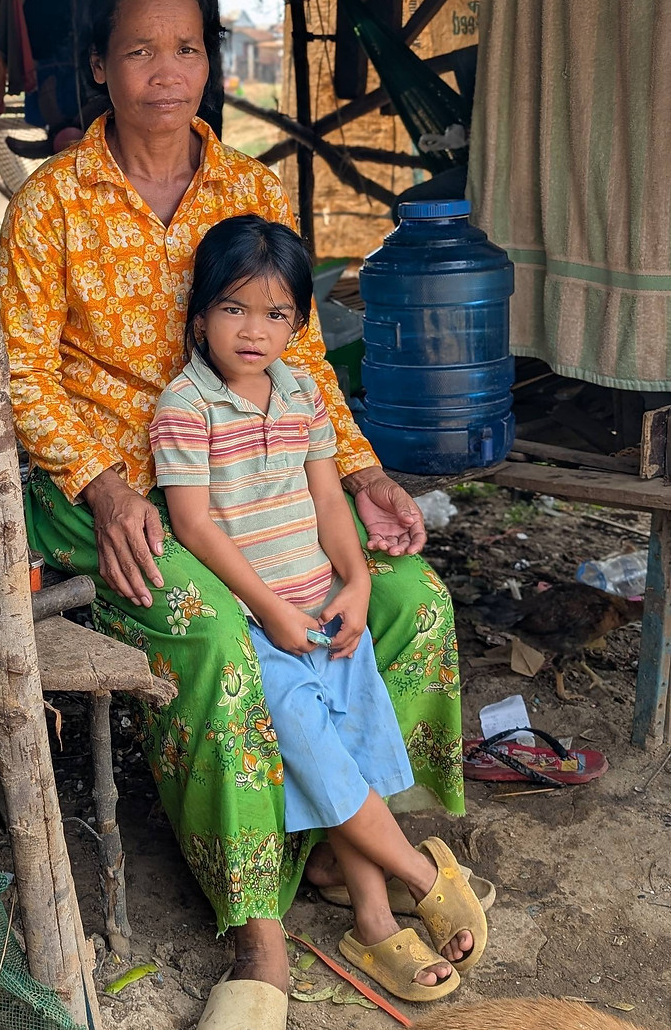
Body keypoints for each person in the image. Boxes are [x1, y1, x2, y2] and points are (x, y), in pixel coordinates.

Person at [0, 0, 464, 1023]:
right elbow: (20, 375)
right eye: (140, 50)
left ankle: (360, 857)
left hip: (258, 476)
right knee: (213, 636)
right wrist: (105, 485)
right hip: (112, 488)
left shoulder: (248, 188)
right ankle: (261, 940)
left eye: (189, 48)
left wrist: (361, 472)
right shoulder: (54, 202)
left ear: (209, 61)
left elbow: (291, 364)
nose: (168, 72)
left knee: (404, 598)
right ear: (100, 68)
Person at [150, 215, 486, 1003]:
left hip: (330, 611)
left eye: (276, 315)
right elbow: (194, 523)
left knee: (353, 752)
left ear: (299, 324)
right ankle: (420, 870)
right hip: (263, 623)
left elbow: (330, 499)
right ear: (199, 315)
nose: (254, 330)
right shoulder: (185, 405)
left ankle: (373, 920)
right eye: (234, 309)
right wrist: (267, 609)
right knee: (316, 747)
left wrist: (359, 580)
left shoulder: (301, 391)